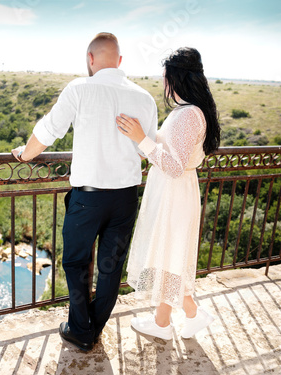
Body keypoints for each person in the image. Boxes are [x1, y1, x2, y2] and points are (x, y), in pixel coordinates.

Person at [12, 32, 157, 351]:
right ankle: (95, 326)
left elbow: (48, 131)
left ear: (90, 59)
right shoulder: (144, 98)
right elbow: (148, 151)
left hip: (88, 198)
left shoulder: (80, 88)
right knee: (110, 265)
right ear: (119, 61)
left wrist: (25, 154)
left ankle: (80, 328)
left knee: (76, 262)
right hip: (125, 197)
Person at [116, 47, 220, 340]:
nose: (164, 85)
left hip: (175, 193)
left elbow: (174, 166)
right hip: (176, 192)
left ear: (175, 79)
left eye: (165, 78)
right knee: (169, 257)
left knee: (168, 256)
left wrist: (141, 140)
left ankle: (168, 322)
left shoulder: (188, 115)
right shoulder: (191, 111)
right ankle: (187, 316)